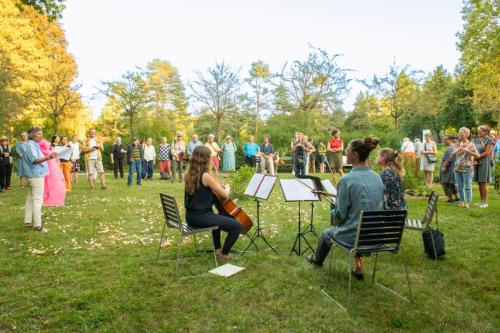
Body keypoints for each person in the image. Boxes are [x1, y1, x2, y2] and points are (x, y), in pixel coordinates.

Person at [307, 137, 384, 280]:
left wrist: (333, 212)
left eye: (347, 151)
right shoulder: (377, 177)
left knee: (326, 234)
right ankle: (357, 266)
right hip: (376, 236)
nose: (345, 154)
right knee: (357, 224)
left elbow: (340, 215)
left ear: (354, 154)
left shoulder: (346, 180)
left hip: (355, 237)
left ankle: (316, 261)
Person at [185, 146, 242, 260]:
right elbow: (225, 194)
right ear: (205, 159)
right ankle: (224, 254)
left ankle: (217, 250)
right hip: (201, 217)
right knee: (237, 226)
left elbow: (203, 190)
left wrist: (214, 184)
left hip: (191, 217)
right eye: (210, 157)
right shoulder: (205, 175)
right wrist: (228, 187)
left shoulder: (189, 173)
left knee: (216, 219)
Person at [22, 126, 56, 232]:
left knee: (30, 199)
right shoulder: (31, 145)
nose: (41, 136)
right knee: (37, 200)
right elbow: (35, 160)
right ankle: (38, 226)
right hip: (36, 176)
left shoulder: (32, 145)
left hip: (32, 175)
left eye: (41, 133)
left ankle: (28, 221)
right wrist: (48, 157)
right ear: (32, 136)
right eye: (38, 134)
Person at [453, 127, 479, 209]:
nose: (460, 134)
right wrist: (458, 150)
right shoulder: (457, 144)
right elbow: (452, 155)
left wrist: (468, 151)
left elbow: (477, 155)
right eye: (459, 132)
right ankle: (462, 201)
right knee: (459, 186)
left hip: (468, 168)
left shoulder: (471, 144)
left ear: (467, 134)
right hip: (457, 168)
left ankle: (468, 202)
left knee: (467, 186)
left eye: (462, 133)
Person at [39, 138, 66, 206]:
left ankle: (45, 198)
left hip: (47, 169)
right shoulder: (49, 152)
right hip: (52, 169)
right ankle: (49, 198)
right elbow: (57, 160)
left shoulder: (41, 151)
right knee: (51, 183)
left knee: (46, 183)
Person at [473, 125, 494, 208]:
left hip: (484, 162)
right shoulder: (478, 140)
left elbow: (487, 153)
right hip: (477, 162)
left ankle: (485, 202)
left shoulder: (490, 140)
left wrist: (477, 156)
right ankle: (481, 200)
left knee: (483, 183)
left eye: (480, 131)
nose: (478, 132)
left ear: (485, 132)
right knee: (479, 182)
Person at [440, 135, 459, 202]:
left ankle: (450, 198)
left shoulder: (450, 148)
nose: (444, 141)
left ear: (450, 140)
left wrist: (444, 167)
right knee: (452, 183)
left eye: (446, 139)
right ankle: (457, 197)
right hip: (452, 169)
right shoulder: (453, 147)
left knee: (446, 183)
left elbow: (448, 159)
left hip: (448, 169)